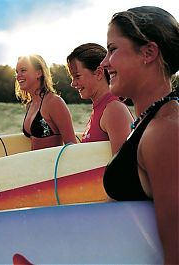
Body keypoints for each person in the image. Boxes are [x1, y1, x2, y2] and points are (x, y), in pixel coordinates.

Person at [101, 6, 179, 264]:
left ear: (148, 52)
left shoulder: (166, 130)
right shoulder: (150, 121)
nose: (104, 62)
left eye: (112, 49)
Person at [67, 43, 134, 155]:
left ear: (98, 73)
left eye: (77, 76)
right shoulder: (100, 108)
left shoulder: (114, 110)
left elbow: (124, 167)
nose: (73, 84)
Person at [15, 54, 77, 150]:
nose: (18, 76)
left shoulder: (54, 102)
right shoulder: (30, 105)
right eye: (17, 72)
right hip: (33, 164)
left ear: (39, 73)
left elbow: (72, 145)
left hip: (52, 164)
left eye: (23, 70)